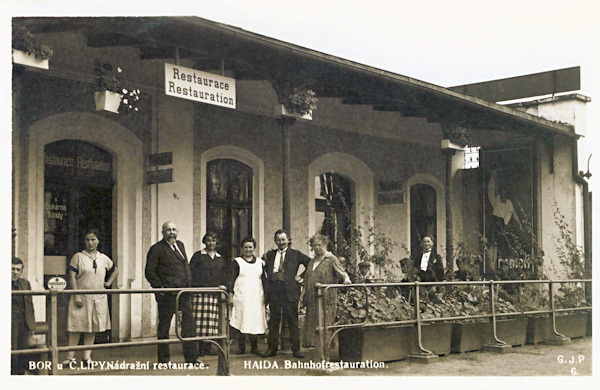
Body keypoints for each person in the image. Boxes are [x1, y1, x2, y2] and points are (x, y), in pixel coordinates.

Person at [145, 221, 198, 364]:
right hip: (167, 296)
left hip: (184, 294)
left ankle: (192, 360)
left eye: (174, 229)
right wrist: (161, 289)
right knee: (164, 327)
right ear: (163, 233)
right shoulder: (156, 249)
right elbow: (150, 272)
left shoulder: (180, 245)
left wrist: (189, 286)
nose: (172, 232)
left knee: (189, 326)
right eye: (168, 230)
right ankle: (163, 361)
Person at [63, 228, 118, 366]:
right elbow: (72, 276)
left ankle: (87, 358)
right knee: (76, 327)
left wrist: (108, 283)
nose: (90, 242)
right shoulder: (78, 257)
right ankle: (70, 358)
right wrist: (76, 295)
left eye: (93, 239)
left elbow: (115, 270)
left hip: (98, 298)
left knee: (92, 327)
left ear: (98, 241)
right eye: (87, 239)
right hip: (81, 297)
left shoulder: (103, 258)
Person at [261, 230, 310, 358]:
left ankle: (296, 350)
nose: (281, 242)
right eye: (278, 240)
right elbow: (260, 267)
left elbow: (310, 263)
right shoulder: (269, 255)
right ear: (275, 241)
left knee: (292, 321)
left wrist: (301, 276)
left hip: (289, 291)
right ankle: (271, 349)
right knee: (274, 321)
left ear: (288, 240)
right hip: (274, 290)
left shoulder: (296, 254)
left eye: (283, 239)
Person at [301, 234, 351, 348]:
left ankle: (326, 350)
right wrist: (302, 295)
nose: (317, 248)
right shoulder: (312, 260)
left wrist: (346, 279)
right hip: (312, 298)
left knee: (325, 322)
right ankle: (318, 350)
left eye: (319, 245)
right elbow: (307, 278)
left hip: (326, 298)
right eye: (314, 245)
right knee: (314, 323)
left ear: (325, 244)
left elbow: (342, 273)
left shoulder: (331, 259)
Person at [189, 232, 229, 356]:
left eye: (214, 240)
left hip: (214, 294)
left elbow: (224, 275)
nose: (211, 243)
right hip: (200, 294)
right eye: (209, 240)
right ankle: (200, 347)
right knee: (200, 323)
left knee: (211, 323)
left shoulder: (220, 258)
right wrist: (194, 289)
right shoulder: (198, 256)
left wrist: (222, 286)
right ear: (204, 242)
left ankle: (208, 347)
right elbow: (191, 273)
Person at [228, 237, 267, 355]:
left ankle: (254, 347)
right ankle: (241, 347)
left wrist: (266, 295)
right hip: (242, 296)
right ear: (242, 248)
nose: (248, 249)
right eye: (245, 247)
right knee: (242, 319)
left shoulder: (260, 262)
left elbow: (265, 280)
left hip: (256, 296)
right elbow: (230, 280)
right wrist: (230, 294)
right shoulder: (237, 262)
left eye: (250, 247)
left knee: (254, 320)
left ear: (254, 248)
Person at [487, 168, 522, 257]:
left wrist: (519, 223)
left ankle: (500, 251)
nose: (503, 195)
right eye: (502, 193)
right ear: (500, 193)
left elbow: (514, 213)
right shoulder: (496, 200)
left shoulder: (509, 203)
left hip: (501, 221)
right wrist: (494, 175)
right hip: (494, 220)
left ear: (506, 193)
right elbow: (492, 189)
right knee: (491, 239)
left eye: (505, 193)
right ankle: (491, 248)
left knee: (500, 239)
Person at [12, 258, 36, 375]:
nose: (15, 272)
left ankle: (21, 373)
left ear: (21, 271)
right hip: (10, 322)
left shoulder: (25, 283)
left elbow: (30, 305)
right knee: (12, 349)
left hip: (24, 321)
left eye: (18, 269)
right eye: (12, 269)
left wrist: (32, 326)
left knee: (24, 349)